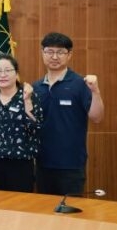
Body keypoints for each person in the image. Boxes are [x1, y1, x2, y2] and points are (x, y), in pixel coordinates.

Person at [32, 32, 104, 195]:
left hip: (71, 164)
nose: (54, 57)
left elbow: (97, 117)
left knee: (70, 209)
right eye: (50, 51)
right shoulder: (36, 87)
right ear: (42, 53)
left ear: (69, 54)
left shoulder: (80, 84)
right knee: (44, 209)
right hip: (42, 163)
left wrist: (95, 91)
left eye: (60, 52)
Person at [0, 55, 43, 192]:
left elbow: (36, 129)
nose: (3, 75)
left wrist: (27, 101)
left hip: (21, 164)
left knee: (20, 203)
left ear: (16, 73)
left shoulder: (29, 96)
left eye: (8, 70)